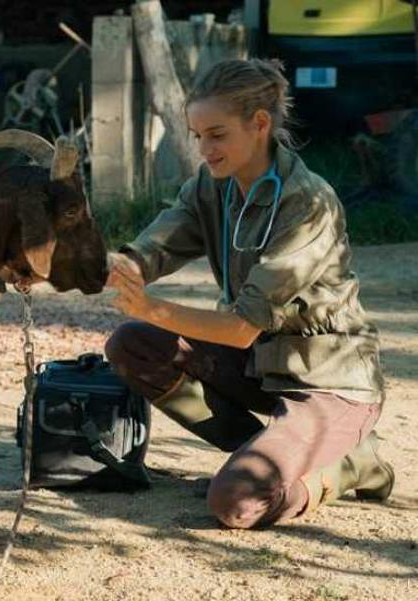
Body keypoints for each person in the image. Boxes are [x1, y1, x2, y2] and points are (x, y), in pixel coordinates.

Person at [103, 58, 394, 529]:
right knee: (132, 345)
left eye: (216, 135)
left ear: (259, 124)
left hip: (328, 382)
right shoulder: (211, 185)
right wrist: (116, 267)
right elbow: (156, 245)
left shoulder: (307, 202)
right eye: (197, 136)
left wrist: (152, 305)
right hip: (261, 367)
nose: (204, 149)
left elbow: (240, 329)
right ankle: (256, 453)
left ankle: (353, 464)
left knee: (237, 503)